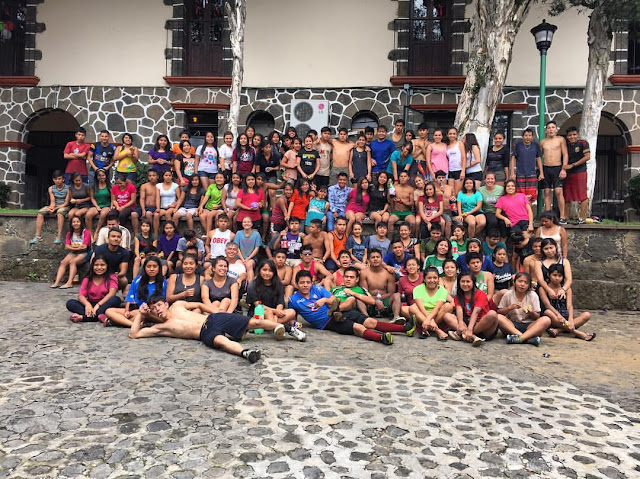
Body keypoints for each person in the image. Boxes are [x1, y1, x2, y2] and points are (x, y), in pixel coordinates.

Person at [129, 294, 296, 364]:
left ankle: (288, 329)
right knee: (221, 341)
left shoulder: (178, 305)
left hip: (213, 318)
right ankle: (246, 353)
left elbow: (199, 304)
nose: (157, 309)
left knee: (254, 322)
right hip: (204, 332)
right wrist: (141, 314)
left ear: (165, 304)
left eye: (159, 305)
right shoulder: (161, 327)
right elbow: (134, 334)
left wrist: (216, 312)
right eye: (153, 309)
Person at [290, 271, 411, 345]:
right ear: (296, 284)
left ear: (312, 282)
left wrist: (324, 300)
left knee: (370, 321)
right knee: (357, 327)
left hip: (338, 311)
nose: (305, 285)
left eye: (307, 282)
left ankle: (405, 329)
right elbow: (292, 316)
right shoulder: (293, 300)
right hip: (327, 321)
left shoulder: (318, 289)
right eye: (302, 283)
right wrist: (295, 324)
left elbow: (334, 300)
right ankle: (381, 338)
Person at [246, 261, 303, 340]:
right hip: (258, 313)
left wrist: (278, 311)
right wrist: (275, 311)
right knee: (268, 312)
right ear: (259, 270)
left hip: (274, 313)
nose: (267, 273)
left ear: (274, 272)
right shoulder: (253, 285)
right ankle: (281, 327)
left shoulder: (278, 285)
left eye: (270, 271)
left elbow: (280, 302)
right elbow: (258, 305)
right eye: (264, 270)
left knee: (292, 312)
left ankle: (270, 325)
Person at [106, 256, 167, 327]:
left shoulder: (163, 282)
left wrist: (147, 309)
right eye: (148, 266)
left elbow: (163, 301)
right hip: (136, 309)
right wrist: (126, 311)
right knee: (109, 311)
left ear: (159, 268)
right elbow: (130, 295)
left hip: (152, 311)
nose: (151, 269)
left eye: (154, 266)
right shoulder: (138, 279)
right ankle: (133, 324)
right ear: (144, 268)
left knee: (142, 314)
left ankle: (117, 322)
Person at [539, 264, 595, 341]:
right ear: (549, 275)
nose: (557, 278)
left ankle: (559, 330)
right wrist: (558, 315)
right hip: (553, 318)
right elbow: (547, 305)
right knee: (547, 312)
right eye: (554, 275)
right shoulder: (543, 289)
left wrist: (570, 319)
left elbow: (569, 305)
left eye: (560, 276)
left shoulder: (566, 289)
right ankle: (577, 333)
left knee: (587, 315)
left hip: (565, 317)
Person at [444, 271, 499, 345]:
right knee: (447, 316)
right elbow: (459, 310)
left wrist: (470, 329)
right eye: (462, 281)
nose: (465, 284)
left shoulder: (481, 294)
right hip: (467, 322)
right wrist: (460, 323)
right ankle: (472, 336)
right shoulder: (458, 296)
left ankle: (465, 334)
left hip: (482, 326)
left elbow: (476, 312)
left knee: (492, 314)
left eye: (468, 282)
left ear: (473, 283)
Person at [497, 272, 551, 346]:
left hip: (529, 326)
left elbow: (537, 317)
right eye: (520, 281)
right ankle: (526, 338)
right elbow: (499, 311)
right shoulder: (508, 294)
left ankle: (520, 338)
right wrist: (510, 308)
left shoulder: (533, 295)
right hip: (512, 325)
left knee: (546, 319)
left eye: (526, 282)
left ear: (529, 285)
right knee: (498, 317)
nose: (522, 284)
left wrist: (531, 312)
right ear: (514, 282)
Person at [66, 254, 121, 323]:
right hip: (91, 304)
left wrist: (98, 305)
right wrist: (87, 304)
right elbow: (81, 296)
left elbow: (112, 293)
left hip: (104, 304)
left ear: (107, 266)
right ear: (92, 266)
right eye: (96, 265)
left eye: (102, 265)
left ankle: (84, 317)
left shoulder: (112, 277)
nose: (99, 267)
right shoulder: (87, 279)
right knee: (70, 303)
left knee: (116, 300)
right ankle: (98, 316)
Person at [408, 266, 451, 340]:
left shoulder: (443, 290)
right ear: (424, 279)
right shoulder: (417, 289)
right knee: (412, 307)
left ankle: (427, 328)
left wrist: (429, 320)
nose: (432, 280)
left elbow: (437, 308)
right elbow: (421, 308)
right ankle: (437, 330)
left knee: (448, 306)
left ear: (438, 279)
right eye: (429, 278)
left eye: (435, 278)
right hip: (422, 314)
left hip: (437, 315)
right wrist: (429, 320)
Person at [540, 121, 569, 223]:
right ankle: (548, 217)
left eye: (553, 127)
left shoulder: (560, 139)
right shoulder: (543, 142)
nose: (551, 129)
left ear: (556, 129)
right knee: (547, 192)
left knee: (558, 191)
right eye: (549, 128)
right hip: (546, 168)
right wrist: (540, 171)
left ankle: (563, 216)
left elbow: (565, 154)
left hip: (557, 167)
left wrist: (564, 169)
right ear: (546, 130)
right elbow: (539, 157)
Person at [51, 215, 92, 289]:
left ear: (81, 223)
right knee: (63, 262)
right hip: (74, 252)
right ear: (71, 224)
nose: (76, 223)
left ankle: (69, 282)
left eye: (77, 222)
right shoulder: (69, 234)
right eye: (74, 222)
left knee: (73, 262)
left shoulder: (86, 232)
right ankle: (56, 282)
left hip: (85, 253)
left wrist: (72, 247)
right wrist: (77, 247)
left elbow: (84, 247)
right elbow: (67, 247)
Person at [31, 170, 69, 245]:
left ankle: (59, 236)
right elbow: (52, 201)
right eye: (55, 179)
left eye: (59, 179)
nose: (57, 181)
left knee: (60, 213)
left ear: (63, 179)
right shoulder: (51, 188)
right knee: (40, 212)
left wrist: (55, 209)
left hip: (64, 206)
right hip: (54, 205)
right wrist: (51, 208)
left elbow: (66, 203)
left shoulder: (68, 189)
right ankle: (37, 236)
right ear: (53, 180)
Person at [360, 249, 400, 321]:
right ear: (368, 260)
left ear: (382, 259)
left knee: (397, 295)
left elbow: (391, 293)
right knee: (359, 298)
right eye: (373, 257)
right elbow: (365, 293)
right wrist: (375, 301)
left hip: (385, 301)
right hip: (370, 302)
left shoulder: (389, 273)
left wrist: (380, 299)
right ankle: (366, 319)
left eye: (378, 257)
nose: (375, 259)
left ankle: (396, 317)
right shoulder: (363, 273)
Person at [563, 126, 590, 224]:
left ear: (578, 135)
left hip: (580, 171)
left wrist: (573, 165)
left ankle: (582, 218)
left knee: (582, 195)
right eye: (570, 135)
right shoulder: (565, 145)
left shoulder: (583, 143)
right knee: (566, 195)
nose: (572, 137)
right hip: (568, 173)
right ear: (567, 136)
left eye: (574, 134)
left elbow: (587, 157)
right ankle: (565, 218)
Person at [511, 128, 543, 202]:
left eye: (529, 135)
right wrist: (512, 173)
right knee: (520, 195)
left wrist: (541, 173)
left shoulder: (535, 145)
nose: (527, 137)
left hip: (532, 173)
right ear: (522, 136)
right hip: (520, 173)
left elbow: (538, 159)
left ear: (532, 137)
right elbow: (513, 158)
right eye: (526, 135)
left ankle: (529, 210)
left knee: (530, 196)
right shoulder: (518, 145)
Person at [478, 172, 506, 239]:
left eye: (492, 179)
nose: (490, 180)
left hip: (499, 211)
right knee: (493, 221)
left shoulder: (501, 189)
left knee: (503, 223)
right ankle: (489, 238)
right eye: (488, 179)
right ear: (485, 180)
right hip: (488, 211)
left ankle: (503, 240)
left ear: (495, 180)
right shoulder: (480, 190)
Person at [234, 217, 262, 282]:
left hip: (252, 258)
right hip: (240, 257)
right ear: (242, 224)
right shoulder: (238, 233)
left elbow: (257, 248)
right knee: (238, 264)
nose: (246, 223)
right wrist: (242, 259)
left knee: (249, 265)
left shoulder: (256, 234)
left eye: (248, 222)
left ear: (252, 224)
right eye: (244, 222)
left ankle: (250, 285)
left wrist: (248, 259)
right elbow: (236, 247)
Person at [154, 170, 181, 236]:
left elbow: (179, 198)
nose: (168, 177)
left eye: (169, 175)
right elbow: (157, 198)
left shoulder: (175, 186)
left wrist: (174, 205)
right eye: (166, 175)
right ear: (163, 176)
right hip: (162, 207)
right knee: (156, 215)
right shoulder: (158, 185)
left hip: (172, 207)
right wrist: (158, 208)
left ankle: (171, 233)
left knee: (167, 213)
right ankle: (155, 234)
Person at [388, 171, 416, 236]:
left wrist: (402, 202)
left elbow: (411, 203)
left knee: (413, 222)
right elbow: (389, 200)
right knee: (390, 221)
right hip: (396, 212)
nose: (403, 178)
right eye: (401, 176)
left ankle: (412, 239)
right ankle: (390, 239)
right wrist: (389, 191)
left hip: (407, 212)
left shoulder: (411, 189)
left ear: (408, 178)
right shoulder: (394, 187)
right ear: (399, 178)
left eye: (404, 176)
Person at [86, 169, 112, 238]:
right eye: (99, 176)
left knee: (103, 213)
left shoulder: (109, 186)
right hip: (96, 205)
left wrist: (111, 206)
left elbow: (113, 198)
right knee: (88, 215)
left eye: (103, 175)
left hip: (106, 205)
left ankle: (97, 231)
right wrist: (97, 206)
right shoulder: (93, 186)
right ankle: (90, 233)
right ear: (97, 177)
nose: (101, 177)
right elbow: (92, 198)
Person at [446, 127, 466, 194]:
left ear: (457, 135)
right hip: (450, 171)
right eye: (450, 134)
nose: (452, 135)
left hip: (459, 170)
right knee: (451, 192)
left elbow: (464, 157)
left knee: (458, 192)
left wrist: (463, 171)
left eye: (454, 134)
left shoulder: (460, 143)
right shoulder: (447, 147)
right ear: (447, 135)